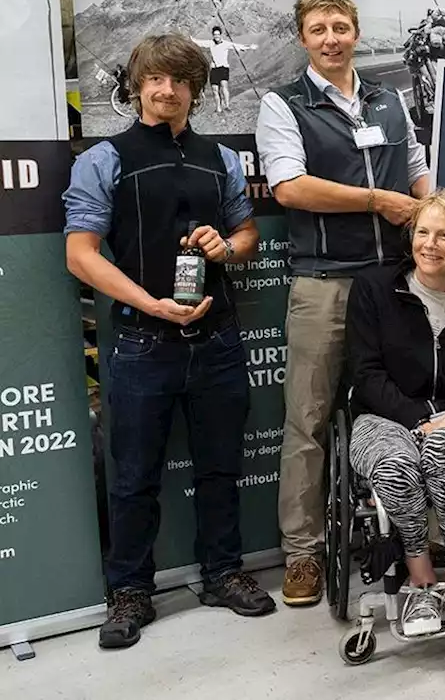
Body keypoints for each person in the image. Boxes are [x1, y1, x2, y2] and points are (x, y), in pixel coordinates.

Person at [64, 34, 275, 649]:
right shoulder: (103, 159)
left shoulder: (220, 159)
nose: (165, 90)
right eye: (153, 80)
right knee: (132, 477)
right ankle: (129, 592)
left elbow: (246, 234)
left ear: (195, 89)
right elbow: (80, 254)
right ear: (136, 86)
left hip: (217, 340)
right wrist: (147, 303)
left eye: (178, 81)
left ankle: (223, 574)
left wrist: (226, 248)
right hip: (140, 344)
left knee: (220, 467)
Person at [256, 0, 431, 607]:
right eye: (317, 30)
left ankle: (422, 532)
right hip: (325, 283)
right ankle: (302, 555)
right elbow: (290, 187)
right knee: (308, 421)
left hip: (395, 280)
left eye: (340, 27)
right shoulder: (283, 104)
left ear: (355, 32)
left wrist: (429, 212)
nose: (330, 38)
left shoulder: (390, 99)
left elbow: (415, 165)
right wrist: (376, 201)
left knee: (409, 403)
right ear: (303, 39)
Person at [345, 190, 445, 636]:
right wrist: (420, 416)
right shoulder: (376, 289)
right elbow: (367, 374)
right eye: (423, 233)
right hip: (385, 416)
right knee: (396, 463)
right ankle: (420, 582)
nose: (430, 245)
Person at [193, 25, 257, 115]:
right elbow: (199, 43)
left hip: (223, 67)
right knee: (215, 89)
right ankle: (218, 108)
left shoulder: (226, 44)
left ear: (220, 35)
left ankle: (227, 106)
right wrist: (190, 39)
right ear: (213, 35)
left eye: (218, 34)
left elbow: (238, 46)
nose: (217, 36)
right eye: (215, 35)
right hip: (214, 68)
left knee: (224, 86)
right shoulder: (210, 43)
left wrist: (250, 46)